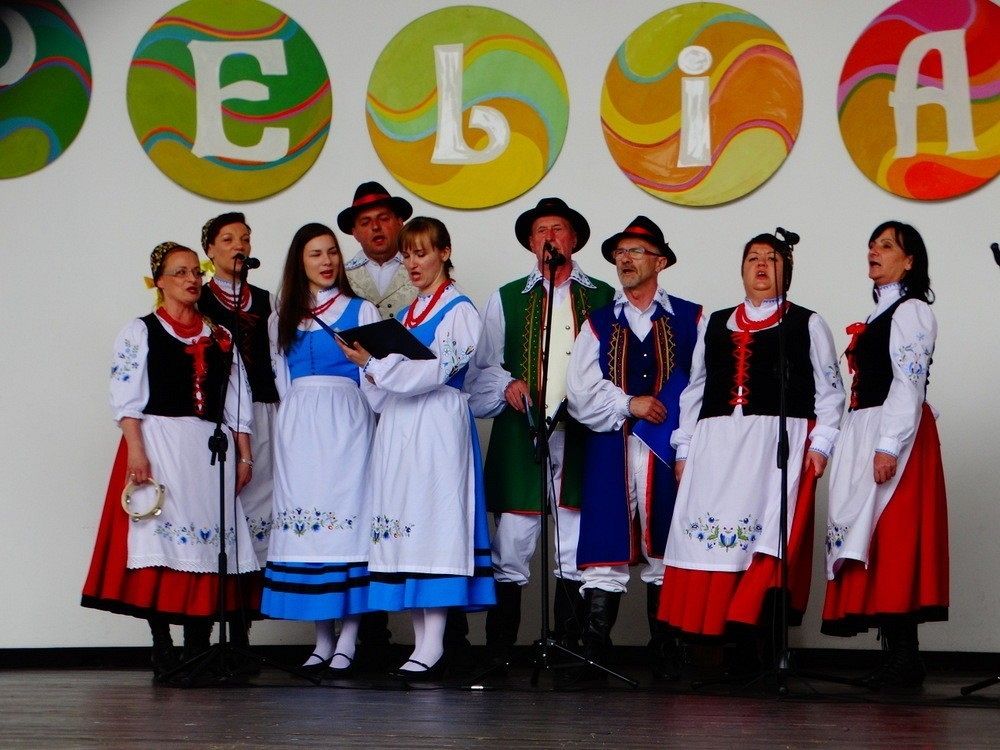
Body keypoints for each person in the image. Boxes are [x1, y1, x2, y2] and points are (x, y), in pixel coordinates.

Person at [658, 231, 845, 674]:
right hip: (717, 445)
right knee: (717, 543)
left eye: (772, 258)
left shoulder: (807, 323)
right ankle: (724, 650)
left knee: (765, 542)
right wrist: (684, 446)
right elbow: (696, 388)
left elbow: (831, 391)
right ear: (742, 269)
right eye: (753, 258)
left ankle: (763, 647)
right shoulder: (715, 322)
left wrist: (821, 445)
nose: (761, 265)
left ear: (787, 270)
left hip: (775, 446)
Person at [81, 242, 259, 683]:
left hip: (207, 450)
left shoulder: (221, 336)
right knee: (157, 546)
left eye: (196, 272)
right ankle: (163, 649)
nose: (192, 280)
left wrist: (244, 455)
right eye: (180, 272)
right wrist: (136, 450)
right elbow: (126, 398)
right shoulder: (140, 331)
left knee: (206, 546)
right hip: (157, 444)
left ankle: (198, 647)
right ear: (159, 281)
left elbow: (237, 402)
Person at [339, 217, 495, 680]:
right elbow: (385, 392)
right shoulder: (407, 315)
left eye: (421, 253)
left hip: (437, 427)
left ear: (445, 253)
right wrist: (370, 367)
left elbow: (436, 372)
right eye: (407, 255)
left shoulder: (460, 311)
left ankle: (433, 644)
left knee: (434, 527)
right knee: (409, 530)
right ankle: (423, 643)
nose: (412, 263)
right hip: (402, 428)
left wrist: (376, 364)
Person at [465, 197, 614, 668]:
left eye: (558, 228)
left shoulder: (605, 296)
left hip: (583, 435)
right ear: (531, 243)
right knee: (512, 541)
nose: (550, 237)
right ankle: (499, 651)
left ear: (574, 239)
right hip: (523, 434)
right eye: (541, 230)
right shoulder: (507, 297)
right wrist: (507, 385)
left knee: (573, 541)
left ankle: (567, 646)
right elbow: (482, 367)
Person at [565, 216, 702, 684]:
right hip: (612, 444)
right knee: (606, 540)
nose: (625, 259)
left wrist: (685, 443)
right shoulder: (598, 322)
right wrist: (629, 403)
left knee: (667, 539)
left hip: (668, 449)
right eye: (620, 252)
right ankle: (595, 647)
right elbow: (579, 391)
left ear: (660, 262)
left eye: (636, 251)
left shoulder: (692, 318)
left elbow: (703, 386)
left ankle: (666, 648)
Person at [822, 221, 948, 693]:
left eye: (887, 246)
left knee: (893, 541)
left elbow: (908, 383)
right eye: (872, 245)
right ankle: (896, 657)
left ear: (909, 261)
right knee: (875, 542)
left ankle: (905, 659)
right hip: (868, 429)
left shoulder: (912, 311)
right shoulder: (881, 312)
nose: (874, 251)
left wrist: (888, 445)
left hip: (895, 434)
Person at [260, 223, 380, 677]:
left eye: (332, 252)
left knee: (348, 525)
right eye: (316, 254)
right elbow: (281, 378)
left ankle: (348, 638)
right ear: (300, 262)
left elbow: (373, 377)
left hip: (346, 422)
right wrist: (290, 428)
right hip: (300, 428)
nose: (327, 261)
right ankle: (322, 639)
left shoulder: (361, 310)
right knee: (309, 532)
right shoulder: (281, 317)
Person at [198, 212, 279, 568]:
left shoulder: (266, 301)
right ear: (209, 249)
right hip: (217, 417)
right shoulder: (198, 300)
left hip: (263, 408)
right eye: (228, 240)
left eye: (245, 239)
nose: (239, 246)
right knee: (222, 497)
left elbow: (279, 358)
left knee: (265, 495)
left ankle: (258, 583)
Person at [338, 181, 417, 320]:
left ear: (400, 223)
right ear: (355, 233)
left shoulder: (423, 267)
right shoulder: (341, 277)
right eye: (365, 222)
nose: (375, 227)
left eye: (384, 219)